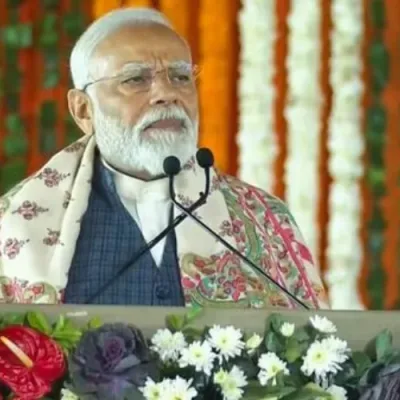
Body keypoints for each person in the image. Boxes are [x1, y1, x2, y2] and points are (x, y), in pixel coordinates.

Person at [0, 8, 328, 309]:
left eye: (181, 76)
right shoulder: (14, 225)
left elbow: (319, 350)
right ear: (83, 110)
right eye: (136, 79)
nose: (166, 93)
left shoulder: (264, 219)